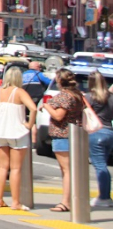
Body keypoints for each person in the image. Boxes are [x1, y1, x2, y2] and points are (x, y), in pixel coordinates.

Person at [0, 66, 37, 210]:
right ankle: (15, 202)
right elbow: (33, 108)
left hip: (0, 132)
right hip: (17, 133)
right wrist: (29, 124)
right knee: (15, 169)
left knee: (2, 167)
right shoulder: (19, 92)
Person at [44, 67, 85, 213]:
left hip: (62, 134)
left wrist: (46, 106)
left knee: (66, 171)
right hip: (73, 134)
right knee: (70, 170)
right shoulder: (77, 95)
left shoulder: (65, 96)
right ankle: (73, 199)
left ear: (60, 81)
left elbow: (58, 116)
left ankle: (66, 202)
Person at [86, 70, 113, 208]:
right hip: (109, 132)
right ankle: (105, 195)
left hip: (95, 132)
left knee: (100, 166)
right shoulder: (111, 97)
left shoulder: (89, 97)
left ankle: (104, 197)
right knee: (103, 165)